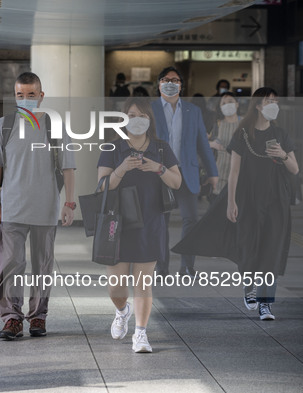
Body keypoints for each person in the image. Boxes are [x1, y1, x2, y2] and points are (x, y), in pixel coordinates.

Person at [174, 87, 298, 321]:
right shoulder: (243, 135)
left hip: (276, 201)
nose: (274, 105)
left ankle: (265, 305)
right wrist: (231, 202)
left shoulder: (281, 134)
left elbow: (295, 168)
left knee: (270, 251)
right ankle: (249, 285)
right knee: (249, 246)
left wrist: (282, 154)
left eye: (276, 101)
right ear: (258, 106)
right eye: (268, 101)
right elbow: (234, 172)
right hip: (248, 200)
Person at [0, 72, 76, 340]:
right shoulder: (4, 126)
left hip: (46, 207)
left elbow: (69, 167)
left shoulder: (55, 126)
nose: (25, 99)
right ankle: (12, 318)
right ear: (14, 96)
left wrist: (69, 203)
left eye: (31, 95)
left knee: (42, 265)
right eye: (20, 95)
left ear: (41, 96)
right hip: (13, 207)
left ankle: (38, 316)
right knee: (9, 263)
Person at [98, 97, 182, 353]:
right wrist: (121, 169)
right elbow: (101, 186)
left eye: (143, 116)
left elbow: (177, 182)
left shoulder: (161, 148)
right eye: (132, 115)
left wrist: (158, 169)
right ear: (124, 118)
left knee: (143, 283)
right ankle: (122, 311)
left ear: (150, 120)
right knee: (116, 287)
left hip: (150, 222)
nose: (137, 120)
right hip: (118, 224)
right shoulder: (112, 149)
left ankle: (141, 334)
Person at [151, 66, 218, 278]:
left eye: (175, 80)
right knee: (160, 222)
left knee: (191, 219)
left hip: (186, 173)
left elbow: (202, 145)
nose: (171, 83)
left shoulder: (192, 111)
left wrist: (212, 172)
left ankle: (187, 266)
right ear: (159, 84)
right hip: (160, 173)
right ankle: (161, 267)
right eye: (166, 79)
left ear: (181, 85)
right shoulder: (150, 109)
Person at [208, 92, 241, 197]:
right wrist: (212, 144)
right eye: (224, 103)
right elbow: (204, 143)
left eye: (230, 102)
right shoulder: (217, 124)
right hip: (220, 172)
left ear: (237, 104)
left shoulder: (245, 123)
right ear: (220, 107)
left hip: (241, 173)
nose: (227, 105)